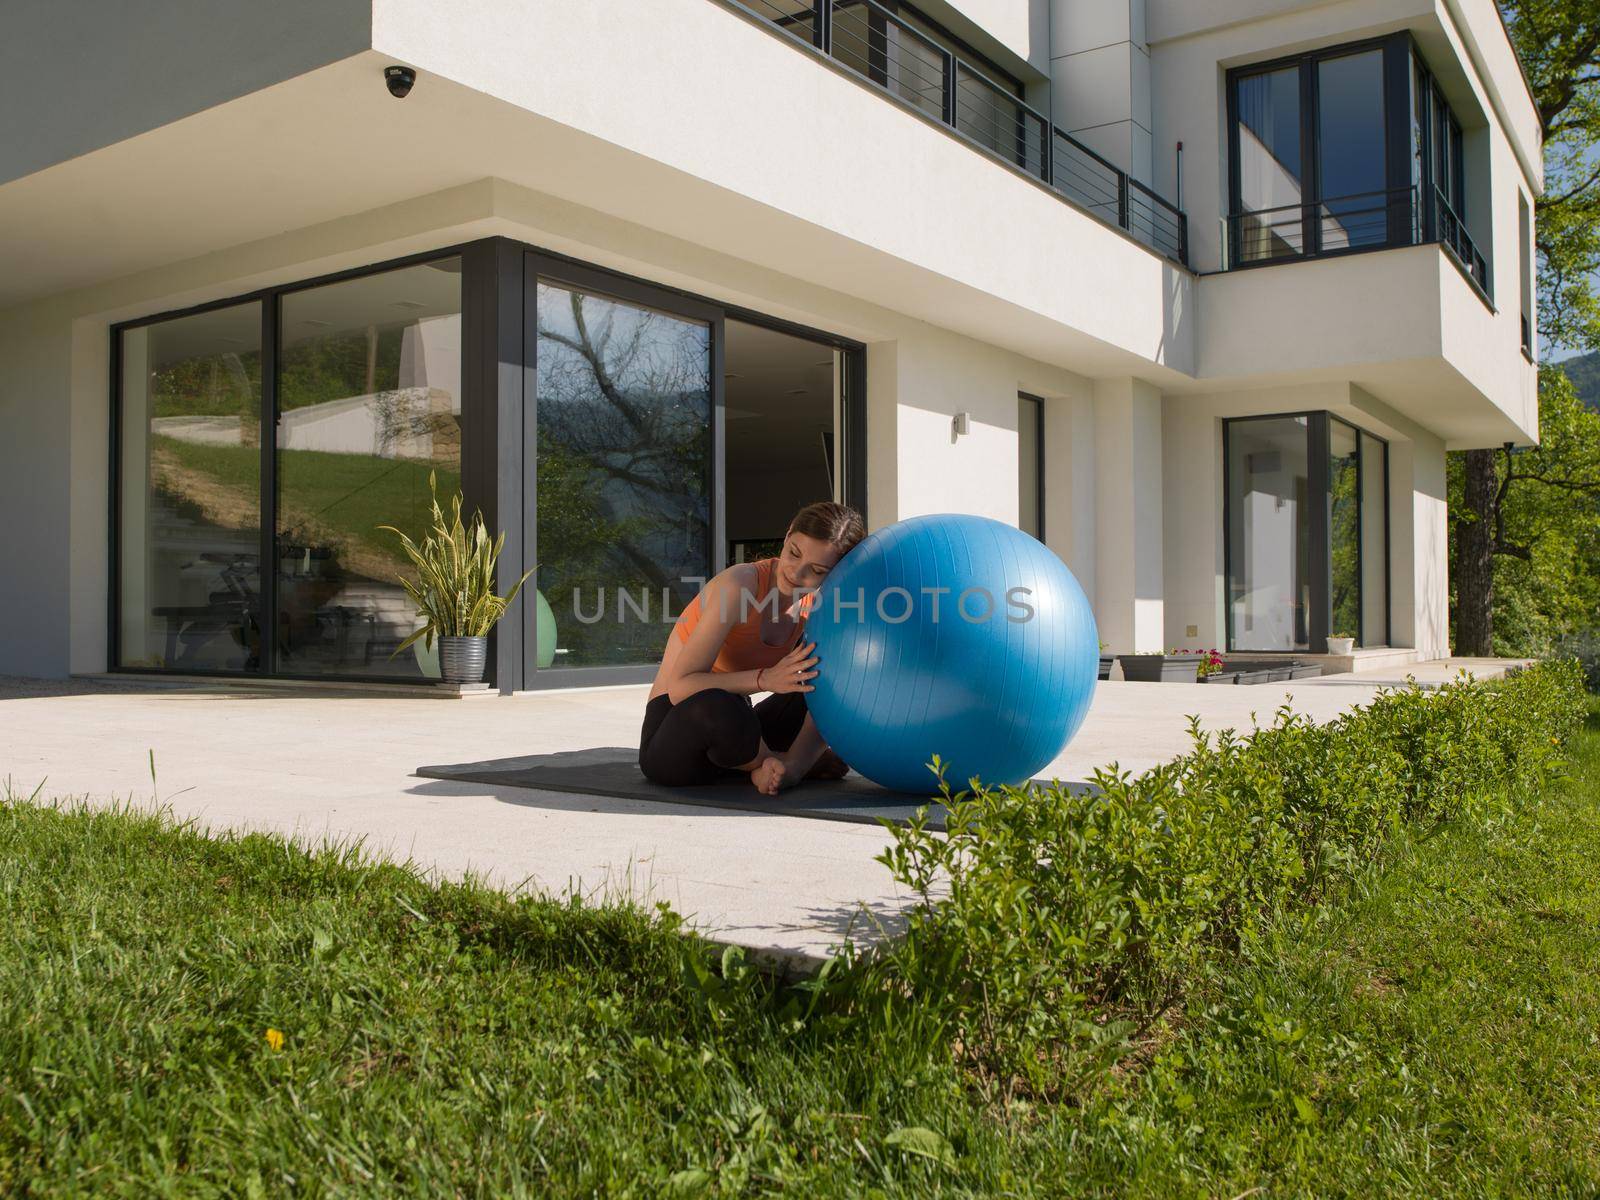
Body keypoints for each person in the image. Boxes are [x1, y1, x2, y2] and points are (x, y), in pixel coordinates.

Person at [639, 501, 866, 794]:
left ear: (836, 574)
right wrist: (765, 679)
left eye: (817, 570)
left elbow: (825, 698)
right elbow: (680, 688)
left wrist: (796, 766)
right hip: (677, 734)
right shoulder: (740, 585)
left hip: (740, 736)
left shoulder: (819, 608)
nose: (796, 574)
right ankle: (767, 762)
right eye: (794, 553)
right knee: (721, 705)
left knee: (826, 685)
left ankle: (777, 767)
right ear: (786, 536)